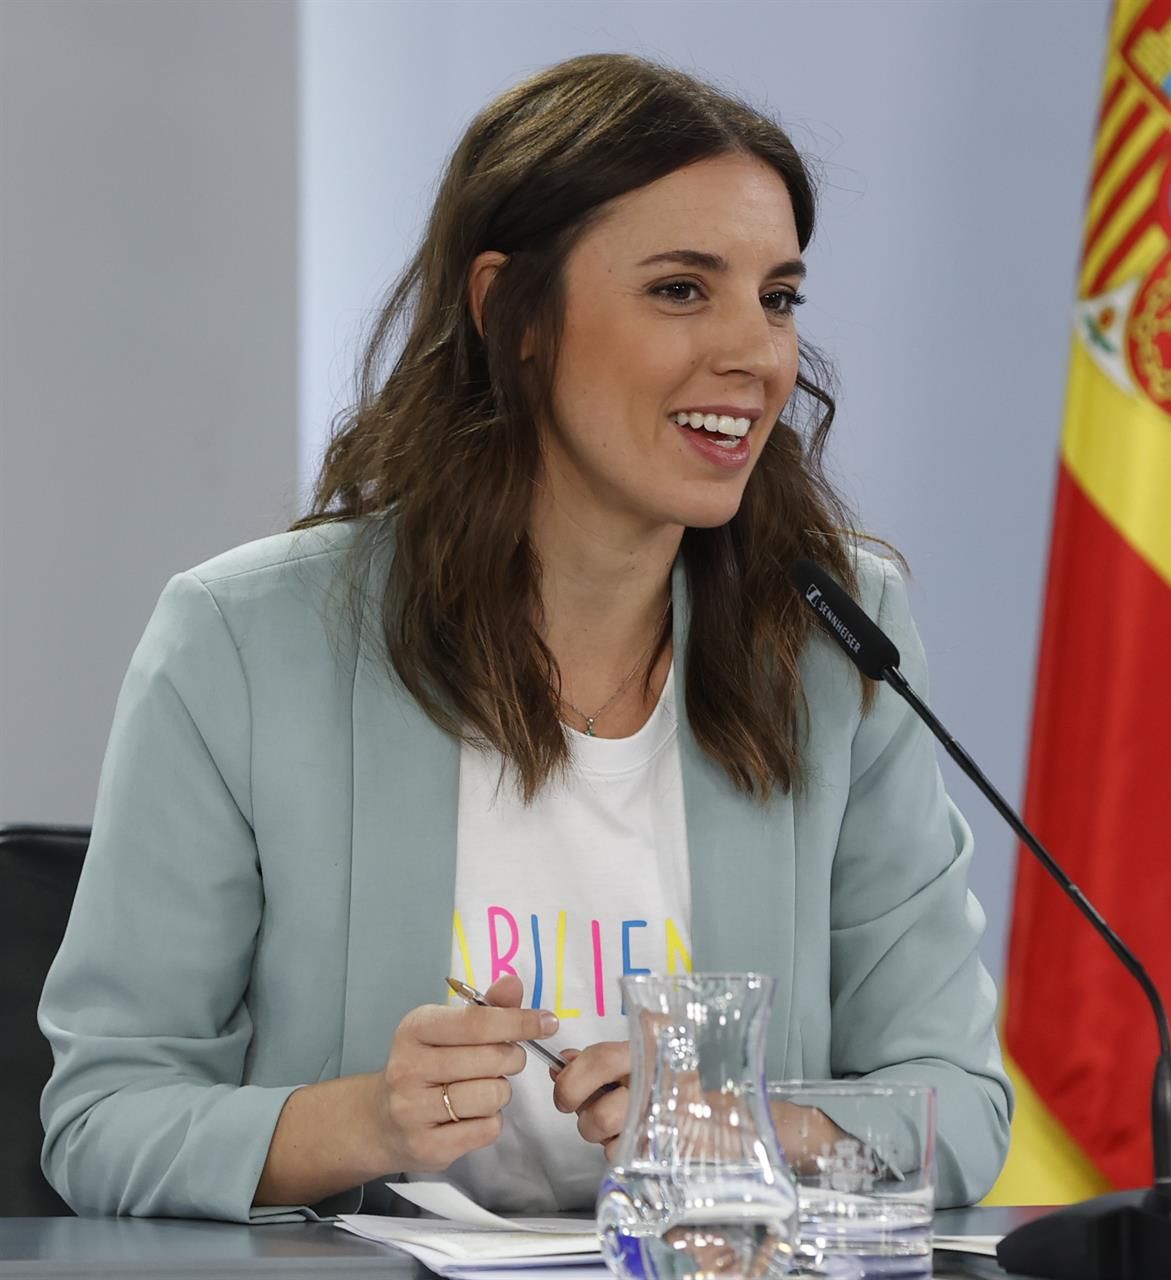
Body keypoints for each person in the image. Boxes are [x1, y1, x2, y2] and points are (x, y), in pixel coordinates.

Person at [37, 53, 1010, 1222]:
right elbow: (99, 1119)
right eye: (682, 289)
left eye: (780, 296)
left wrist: (748, 1123)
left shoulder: (832, 638)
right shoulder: (244, 643)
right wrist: (362, 1117)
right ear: (511, 311)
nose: (756, 353)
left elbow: (957, 1114)